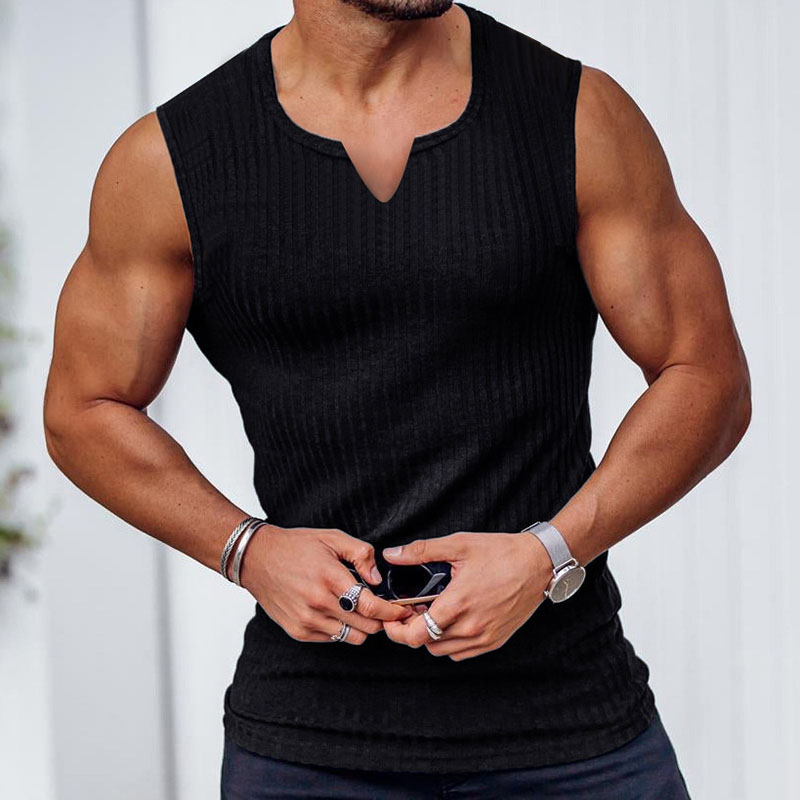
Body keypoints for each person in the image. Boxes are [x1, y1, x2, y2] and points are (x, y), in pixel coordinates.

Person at [43, 0, 749, 796]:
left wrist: (549, 553)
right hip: (309, 745)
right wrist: (248, 549)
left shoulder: (578, 116)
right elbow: (84, 409)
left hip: (572, 729)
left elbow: (707, 375)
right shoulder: (172, 160)